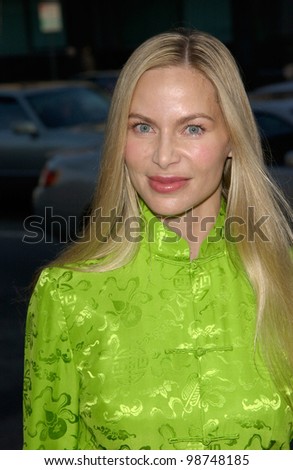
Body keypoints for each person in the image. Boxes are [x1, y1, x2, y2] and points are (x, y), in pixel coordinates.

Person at [23, 28, 293, 451]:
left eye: (193, 128)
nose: (164, 156)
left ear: (233, 140)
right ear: (120, 141)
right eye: (144, 127)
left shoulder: (286, 280)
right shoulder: (67, 295)